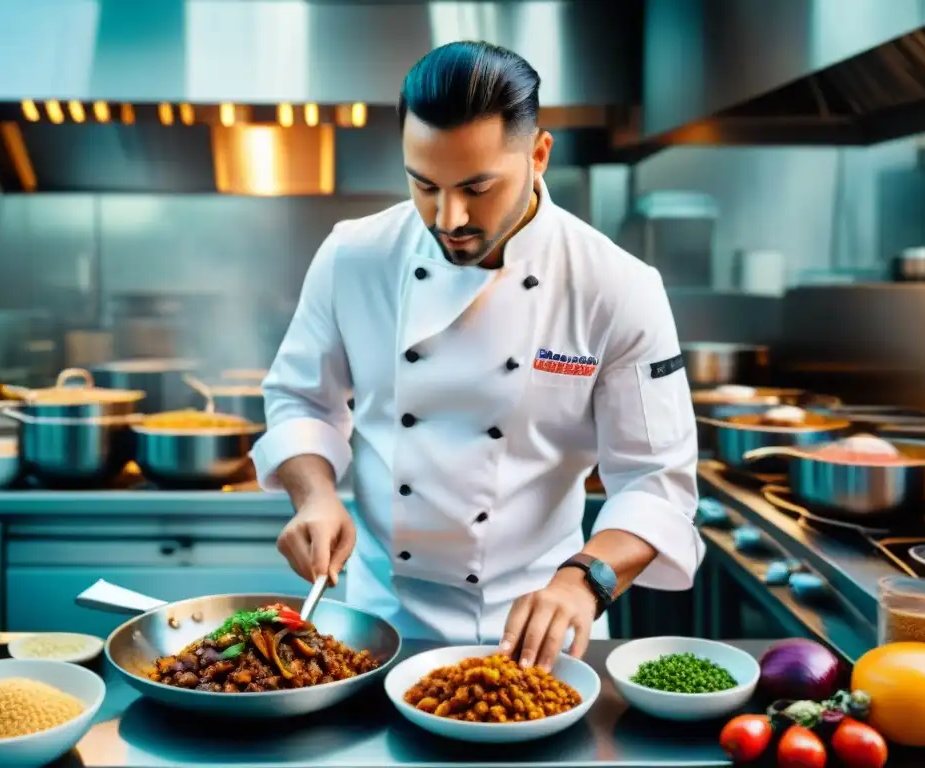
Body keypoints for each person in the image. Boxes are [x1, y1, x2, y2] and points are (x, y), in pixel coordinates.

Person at [251, 40, 703, 672]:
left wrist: (585, 581)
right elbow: (301, 398)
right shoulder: (354, 256)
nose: (449, 216)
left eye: (477, 186)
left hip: (541, 627)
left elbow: (656, 481)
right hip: (379, 623)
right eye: (423, 184)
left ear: (538, 154)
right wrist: (316, 496)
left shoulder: (615, 285)